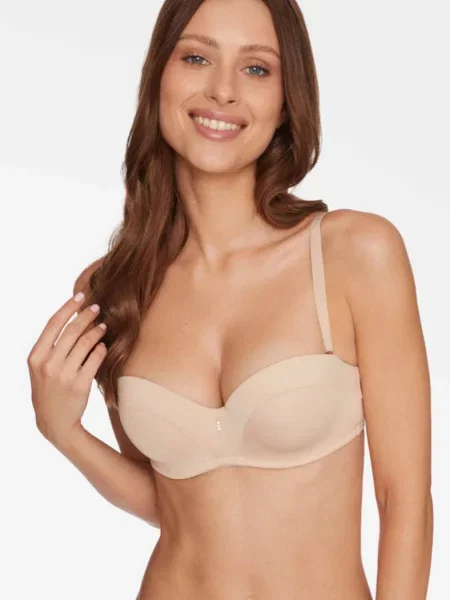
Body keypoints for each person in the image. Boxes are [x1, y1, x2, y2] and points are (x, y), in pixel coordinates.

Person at [27, 0, 434, 598]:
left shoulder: (354, 255)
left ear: (287, 100)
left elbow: (404, 501)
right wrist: (62, 432)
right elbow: (169, 503)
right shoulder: (115, 287)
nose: (222, 90)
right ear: (158, 76)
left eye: (256, 68)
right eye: (196, 58)